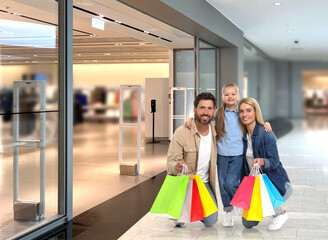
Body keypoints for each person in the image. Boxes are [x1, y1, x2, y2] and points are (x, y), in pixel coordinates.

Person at [184, 83, 271, 227]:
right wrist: (191, 119)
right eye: (226, 94)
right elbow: (204, 120)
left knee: (231, 183)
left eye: (233, 94)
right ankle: (228, 213)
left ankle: (238, 201)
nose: (230, 97)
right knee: (223, 185)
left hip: (237, 155)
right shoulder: (218, 112)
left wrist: (266, 123)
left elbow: (254, 119)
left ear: (238, 96)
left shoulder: (241, 112)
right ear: (222, 97)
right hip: (221, 154)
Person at [238, 97, 292, 231]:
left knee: (263, 197)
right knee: (248, 223)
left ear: (256, 112)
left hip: (275, 185)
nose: (245, 114)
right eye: (241, 111)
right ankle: (264, 207)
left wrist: (263, 161)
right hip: (255, 186)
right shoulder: (242, 135)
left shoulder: (266, 133)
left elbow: (274, 161)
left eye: (249, 110)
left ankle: (280, 213)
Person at [167, 92, 218, 227]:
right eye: (202, 108)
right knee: (179, 220)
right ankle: (182, 208)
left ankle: (190, 208)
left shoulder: (216, 132)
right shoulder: (181, 132)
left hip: (204, 183)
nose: (205, 112)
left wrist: (264, 123)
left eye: (209, 108)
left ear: (214, 111)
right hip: (185, 182)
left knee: (211, 220)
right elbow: (170, 164)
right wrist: (176, 166)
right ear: (195, 109)